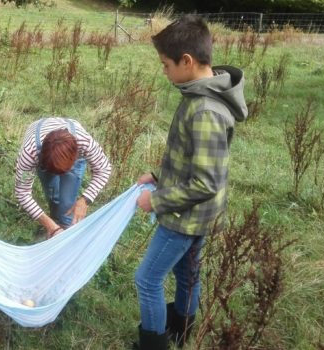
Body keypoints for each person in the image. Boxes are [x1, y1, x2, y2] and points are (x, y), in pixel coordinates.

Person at [133, 15, 248, 349]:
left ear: (187, 61)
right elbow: (191, 158)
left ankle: (153, 344)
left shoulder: (205, 111)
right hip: (198, 215)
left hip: (186, 218)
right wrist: (158, 177)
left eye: (166, 64)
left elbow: (206, 181)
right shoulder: (197, 96)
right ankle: (182, 332)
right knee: (187, 275)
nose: (164, 71)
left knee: (148, 279)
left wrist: (155, 200)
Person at [14, 117, 111, 237]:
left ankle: (65, 231)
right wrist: (50, 225)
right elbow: (22, 193)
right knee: (52, 195)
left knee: (67, 204)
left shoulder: (84, 142)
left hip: (72, 157)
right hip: (42, 155)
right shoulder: (30, 154)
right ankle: (54, 224)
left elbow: (104, 169)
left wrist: (85, 200)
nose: (59, 175)